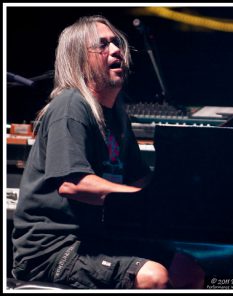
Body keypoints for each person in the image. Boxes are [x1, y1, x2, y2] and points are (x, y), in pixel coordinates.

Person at [11, 15, 205, 289]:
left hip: (98, 239)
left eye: (116, 43)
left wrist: (182, 196)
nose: (116, 50)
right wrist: (144, 199)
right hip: (53, 250)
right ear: (80, 58)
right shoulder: (70, 107)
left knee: (189, 271)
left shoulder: (117, 115)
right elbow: (73, 184)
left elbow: (139, 179)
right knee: (153, 277)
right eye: (102, 45)